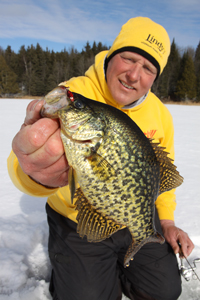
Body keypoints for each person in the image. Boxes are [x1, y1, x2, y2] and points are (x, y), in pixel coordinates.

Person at [8, 17, 194, 300]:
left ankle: (119, 268)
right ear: (111, 56)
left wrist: (166, 222)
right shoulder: (75, 95)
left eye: (147, 68)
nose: (134, 75)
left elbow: (161, 179)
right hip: (77, 221)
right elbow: (24, 158)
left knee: (165, 291)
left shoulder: (161, 115)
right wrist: (32, 172)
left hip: (137, 215)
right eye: (128, 58)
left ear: (155, 78)